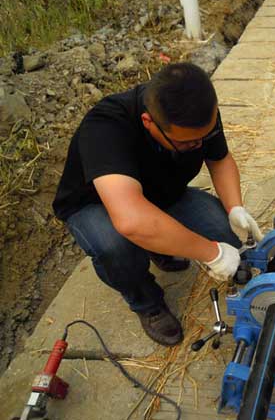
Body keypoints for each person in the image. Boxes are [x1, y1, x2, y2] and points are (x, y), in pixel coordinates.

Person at [52, 62, 262, 346]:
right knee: (117, 248)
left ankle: (159, 242)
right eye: (188, 143)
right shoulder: (105, 127)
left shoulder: (196, 109)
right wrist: (211, 253)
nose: (199, 145)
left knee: (225, 233)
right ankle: (146, 302)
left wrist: (235, 207)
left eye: (203, 137)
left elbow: (220, 159)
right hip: (96, 205)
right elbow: (131, 220)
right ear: (149, 122)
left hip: (160, 193)